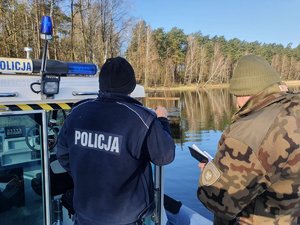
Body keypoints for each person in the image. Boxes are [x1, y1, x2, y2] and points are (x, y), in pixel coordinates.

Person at [56, 57, 175, 225]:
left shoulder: (77, 113)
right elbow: (164, 156)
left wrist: (85, 175)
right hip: (125, 218)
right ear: (131, 85)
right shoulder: (142, 119)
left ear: (101, 83)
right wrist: (162, 120)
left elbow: (63, 156)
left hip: (84, 216)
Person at [197, 55, 300, 225]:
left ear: (247, 92)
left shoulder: (250, 131)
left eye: (237, 94)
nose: (237, 104)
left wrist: (210, 173)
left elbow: (215, 200)